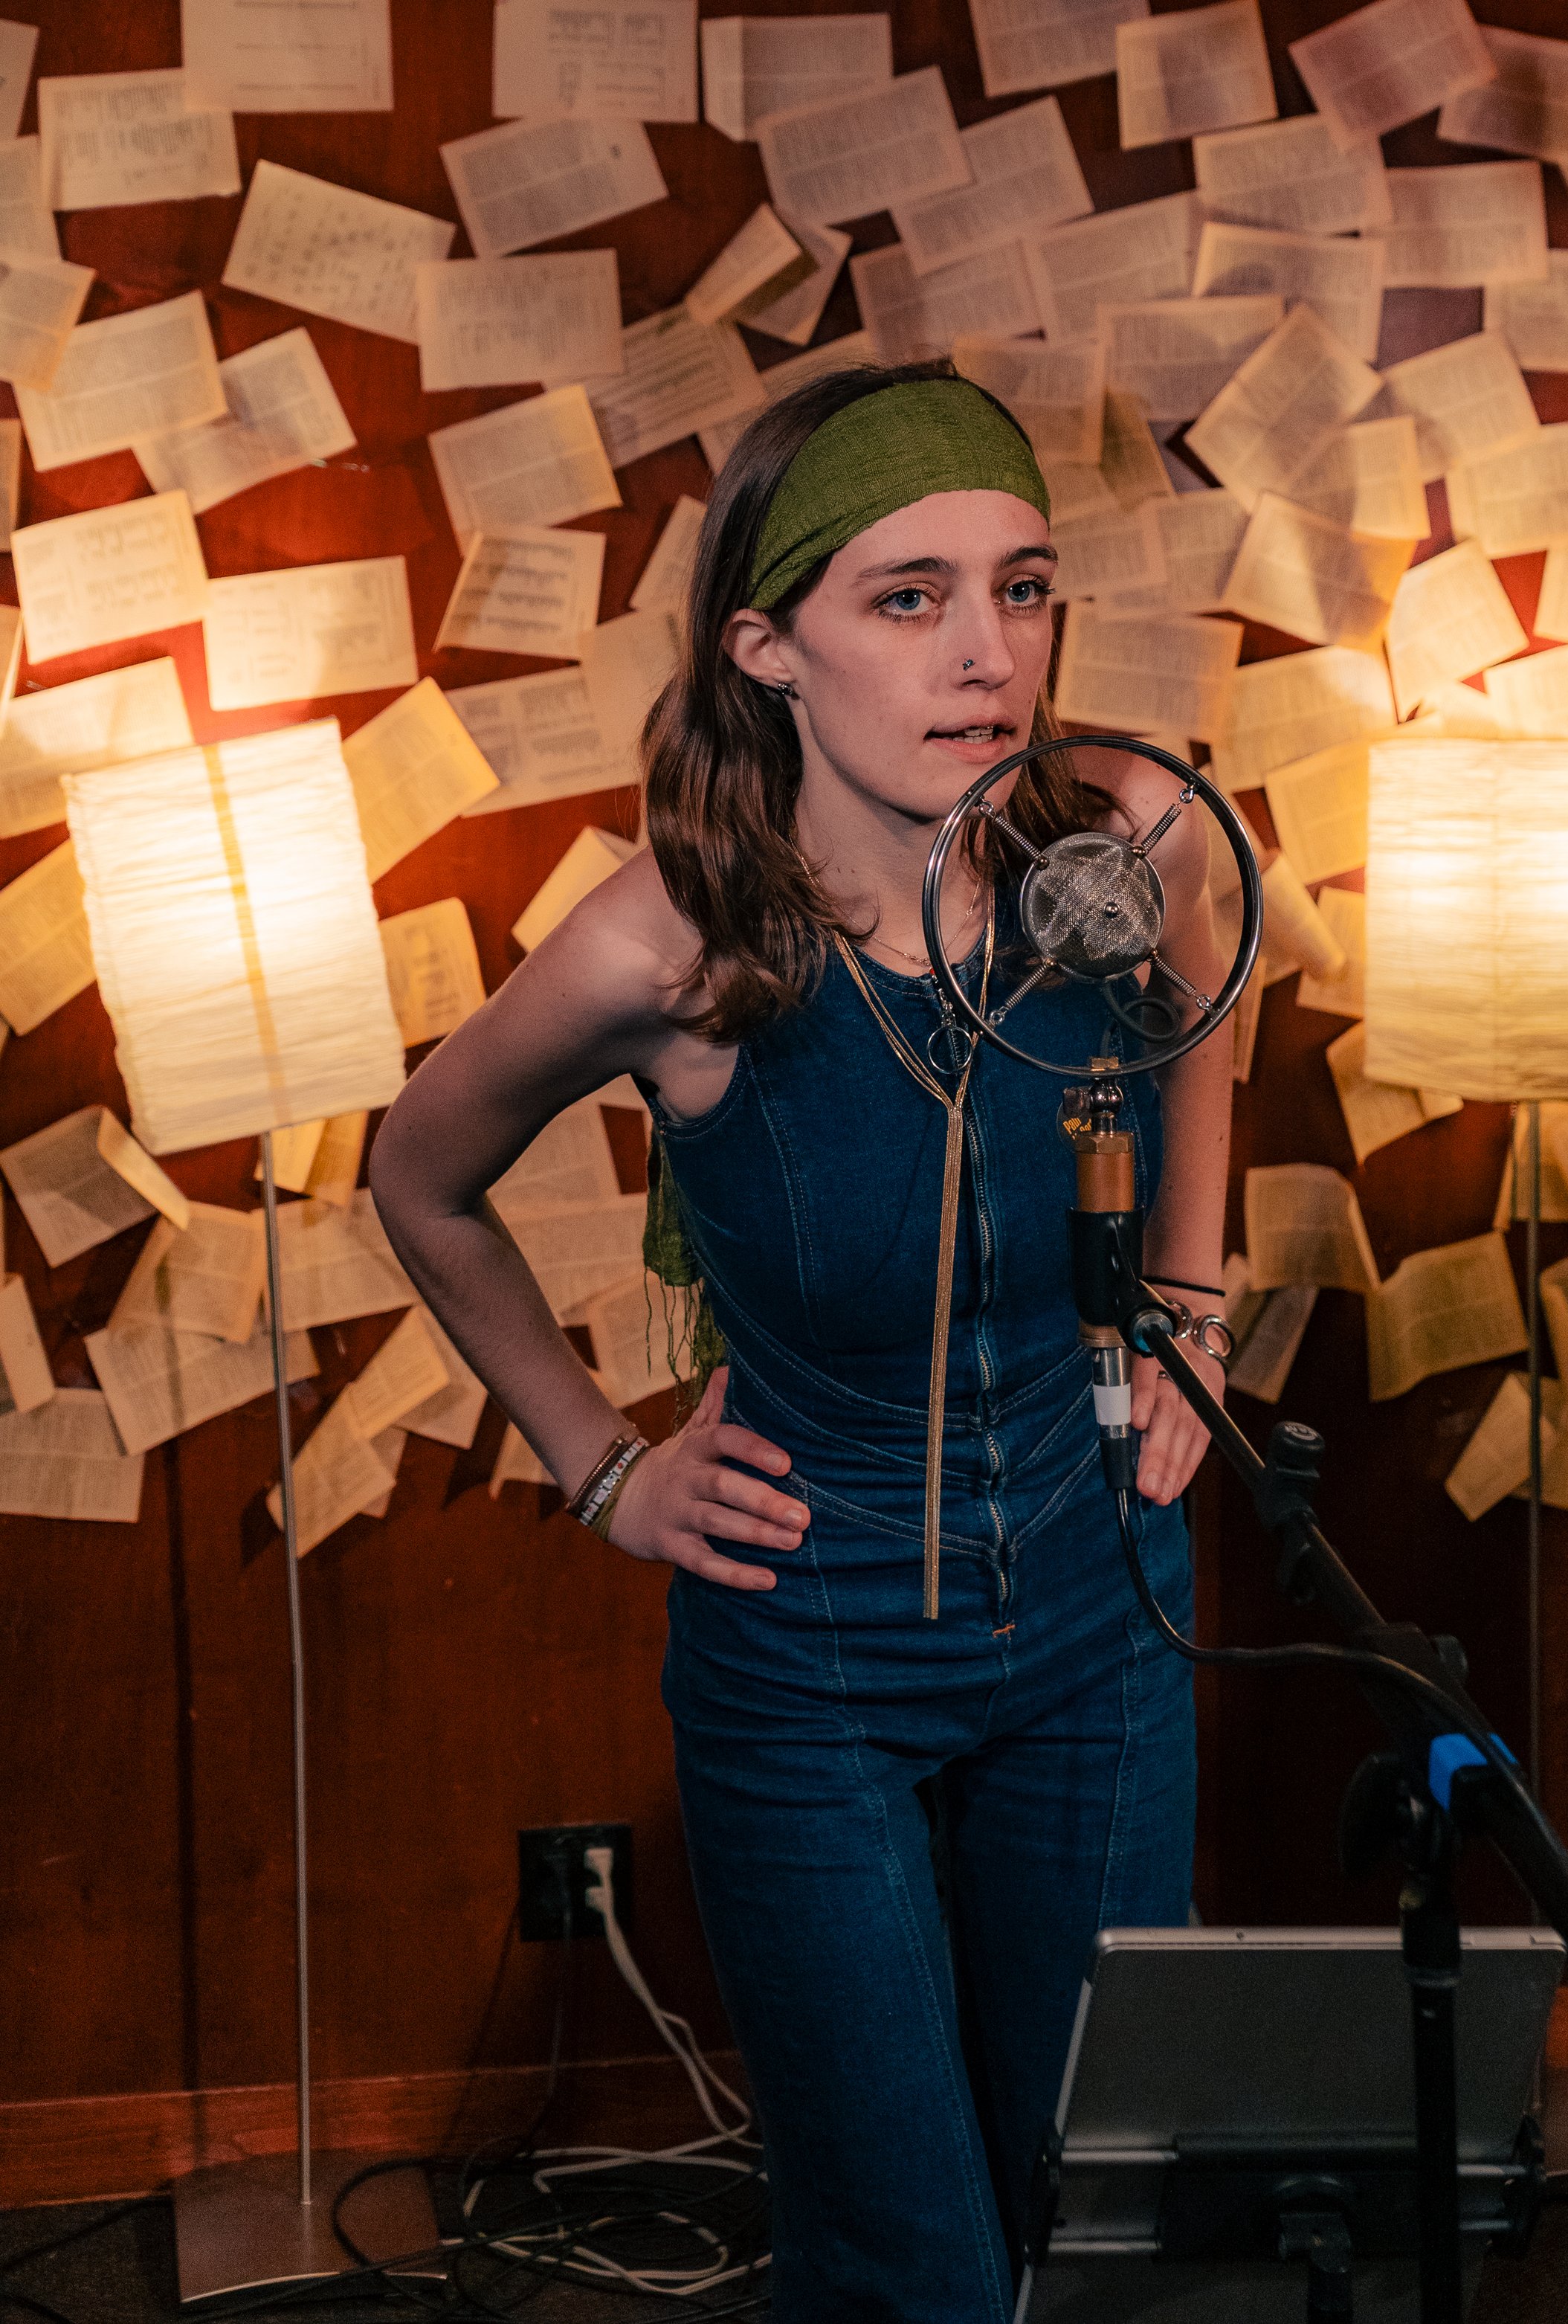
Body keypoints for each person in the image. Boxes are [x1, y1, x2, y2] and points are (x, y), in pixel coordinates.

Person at [369, 358, 1235, 2323]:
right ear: (768, 645)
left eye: (1021, 587)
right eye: (905, 596)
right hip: (813, 1655)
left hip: (1104, 1612)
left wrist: (1190, 1288)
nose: (988, 654)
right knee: (907, 2261)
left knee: (1099, 2214)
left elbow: (1209, 1009)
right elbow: (418, 1181)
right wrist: (605, 1461)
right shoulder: (659, 945)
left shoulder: (1131, 834)